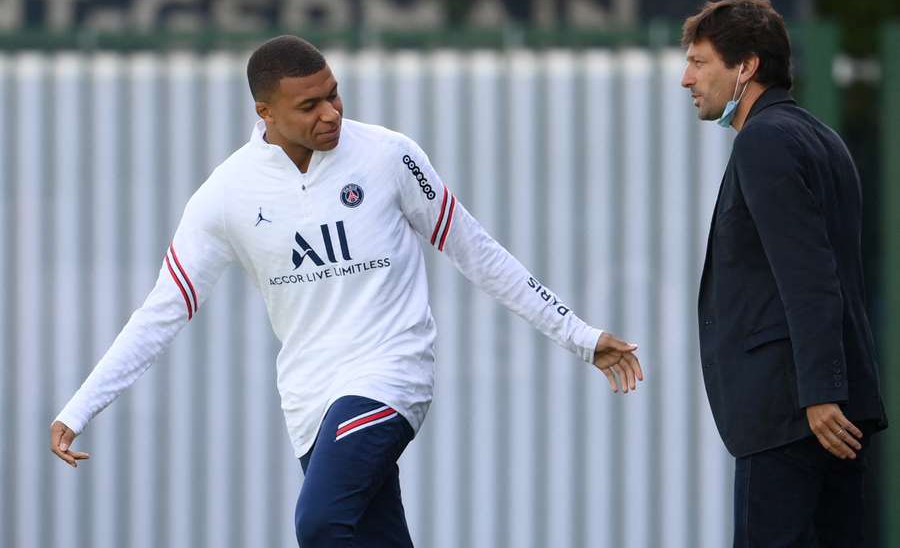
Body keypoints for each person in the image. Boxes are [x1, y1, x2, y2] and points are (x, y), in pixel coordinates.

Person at [50, 35, 644, 547]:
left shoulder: (390, 156)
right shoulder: (225, 194)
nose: (331, 113)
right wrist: (80, 407)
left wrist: (578, 335)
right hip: (308, 400)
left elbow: (476, 250)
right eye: (309, 105)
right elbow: (164, 310)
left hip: (391, 376)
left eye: (334, 93)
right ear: (266, 113)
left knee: (321, 523)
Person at [681, 0, 888, 547]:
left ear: (745, 66)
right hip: (833, 412)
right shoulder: (825, 139)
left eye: (700, 62)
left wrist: (819, 395)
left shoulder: (764, 142)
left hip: (793, 415)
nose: (687, 79)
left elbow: (810, 275)